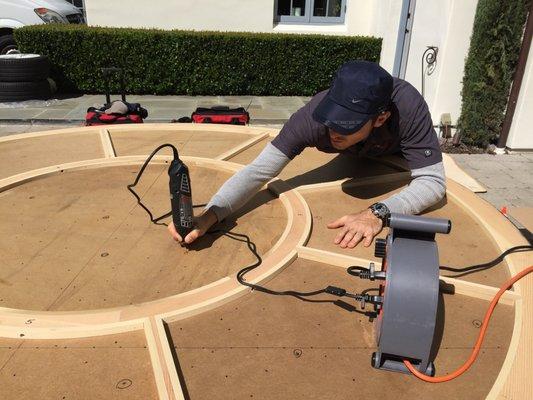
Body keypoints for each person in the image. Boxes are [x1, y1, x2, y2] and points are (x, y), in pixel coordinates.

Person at [168, 60, 446, 249]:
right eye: (331, 118)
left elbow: (432, 183)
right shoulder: (311, 118)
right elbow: (258, 171)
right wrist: (210, 215)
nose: (334, 131)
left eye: (346, 124)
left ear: (381, 118)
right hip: (360, 153)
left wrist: (377, 214)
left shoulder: (407, 109)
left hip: (395, 158)